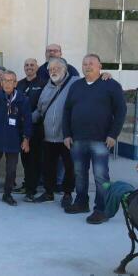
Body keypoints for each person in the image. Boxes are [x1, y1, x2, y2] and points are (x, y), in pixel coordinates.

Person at [63, 54, 127, 224]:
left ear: (100, 66)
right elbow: (67, 111)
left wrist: (113, 134)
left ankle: (102, 209)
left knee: (101, 177)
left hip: (101, 140)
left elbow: (121, 111)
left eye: (91, 63)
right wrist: (67, 134)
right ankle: (81, 202)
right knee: (79, 174)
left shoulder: (111, 85)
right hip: (77, 140)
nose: (87, 66)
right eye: (84, 63)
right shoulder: (76, 86)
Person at [0, 70, 32, 206]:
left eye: (10, 81)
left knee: (11, 169)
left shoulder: (23, 99)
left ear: (15, 83)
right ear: (1, 82)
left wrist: (26, 139)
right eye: (5, 80)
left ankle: (7, 195)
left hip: (14, 140)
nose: (7, 83)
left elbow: (27, 121)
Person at [32, 57, 79, 207]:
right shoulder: (46, 87)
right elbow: (39, 110)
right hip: (48, 137)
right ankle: (49, 193)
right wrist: (25, 120)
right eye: (51, 69)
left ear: (65, 69)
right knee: (48, 167)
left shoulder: (75, 82)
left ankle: (67, 194)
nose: (53, 71)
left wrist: (106, 76)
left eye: (57, 68)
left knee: (69, 167)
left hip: (67, 136)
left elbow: (92, 82)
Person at [14, 58, 46, 201]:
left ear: (37, 67)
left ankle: (31, 191)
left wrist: (31, 118)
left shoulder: (43, 84)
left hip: (36, 128)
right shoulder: (19, 84)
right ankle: (27, 184)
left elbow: (43, 106)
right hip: (20, 128)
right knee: (25, 158)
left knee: (34, 159)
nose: (29, 67)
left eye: (32, 65)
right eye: (26, 65)